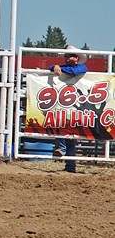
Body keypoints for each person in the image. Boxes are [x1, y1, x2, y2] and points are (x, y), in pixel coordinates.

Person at [50, 45, 88, 173]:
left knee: (69, 134)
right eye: (66, 56)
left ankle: (65, 155)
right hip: (66, 102)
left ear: (77, 58)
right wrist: (54, 67)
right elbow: (50, 68)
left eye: (70, 55)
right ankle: (69, 163)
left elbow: (76, 71)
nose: (68, 58)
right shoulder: (63, 67)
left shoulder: (80, 67)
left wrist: (59, 68)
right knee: (62, 126)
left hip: (77, 104)